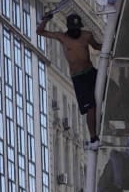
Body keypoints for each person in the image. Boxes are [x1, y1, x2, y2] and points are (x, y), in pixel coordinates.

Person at [37, 12, 103, 144]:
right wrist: (46, 19)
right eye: (73, 30)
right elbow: (40, 32)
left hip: (90, 72)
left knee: (107, 89)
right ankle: (93, 137)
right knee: (91, 107)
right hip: (78, 77)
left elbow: (97, 46)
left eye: (77, 30)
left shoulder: (86, 36)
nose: (75, 33)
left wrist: (111, 46)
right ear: (68, 29)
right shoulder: (62, 37)